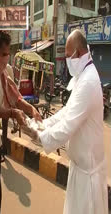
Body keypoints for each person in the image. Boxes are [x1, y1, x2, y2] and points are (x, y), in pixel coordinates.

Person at [28, 29, 108, 214]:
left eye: (67, 56)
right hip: (80, 170)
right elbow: (66, 111)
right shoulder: (83, 75)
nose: (66, 60)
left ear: (78, 54)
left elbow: (68, 125)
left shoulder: (88, 81)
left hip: (88, 178)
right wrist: (44, 124)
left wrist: (40, 136)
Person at [0, 31, 41, 214]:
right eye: (3, 54)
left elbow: (15, 96)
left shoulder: (4, 72)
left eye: (7, 54)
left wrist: (31, 110)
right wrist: (13, 113)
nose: (6, 58)